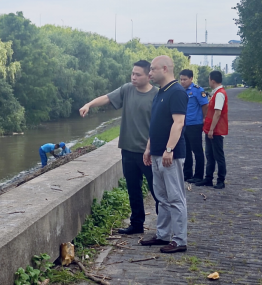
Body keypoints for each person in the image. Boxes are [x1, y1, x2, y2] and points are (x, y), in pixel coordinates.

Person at [79, 60, 159, 235]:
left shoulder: (157, 95)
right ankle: (136, 224)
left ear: (148, 76)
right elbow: (107, 98)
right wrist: (89, 105)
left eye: (138, 74)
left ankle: (165, 227)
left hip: (147, 152)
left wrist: (151, 148)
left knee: (157, 190)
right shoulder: (127, 89)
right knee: (133, 189)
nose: (134, 77)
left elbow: (160, 125)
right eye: (132, 74)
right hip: (128, 150)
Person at [141, 55, 188, 254]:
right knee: (161, 197)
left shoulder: (176, 92)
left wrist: (169, 149)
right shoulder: (161, 92)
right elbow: (156, 124)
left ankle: (179, 240)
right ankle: (162, 235)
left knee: (175, 197)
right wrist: (149, 148)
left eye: (152, 69)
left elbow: (178, 123)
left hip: (171, 154)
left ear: (165, 69)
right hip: (158, 153)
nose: (149, 73)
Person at [195, 70, 228, 189]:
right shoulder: (216, 93)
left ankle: (220, 180)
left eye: (209, 79)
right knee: (209, 155)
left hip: (216, 130)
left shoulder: (219, 94)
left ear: (212, 80)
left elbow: (218, 113)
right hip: (211, 129)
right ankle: (208, 178)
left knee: (218, 156)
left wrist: (212, 129)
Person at [179, 69, 209, 184]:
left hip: (195, 124)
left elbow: (205, 105)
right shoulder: (181, 90)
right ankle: (187, 174)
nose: (182, 82)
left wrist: (203, 118)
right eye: (181, 79)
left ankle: (198, 175)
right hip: (183, 124)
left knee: (197, 150)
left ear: (191, 79)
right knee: (185, 150)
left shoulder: (197, 90)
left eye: (185, 79)